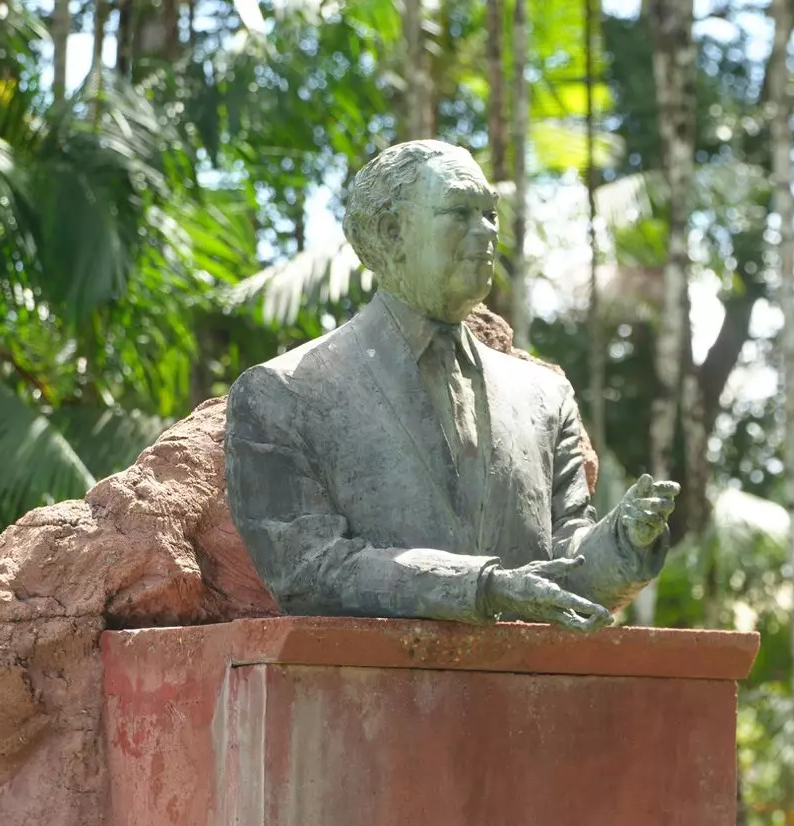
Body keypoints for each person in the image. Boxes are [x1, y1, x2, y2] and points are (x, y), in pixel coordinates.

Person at [224, 139, 679, 630]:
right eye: (460, 212)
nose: (485, 231)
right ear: (391, 231)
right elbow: (309, 569)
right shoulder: (286, 393)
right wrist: (481, 587)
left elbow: (565, 574)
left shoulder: (543, 397)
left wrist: (624, 542)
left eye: (490, 214)